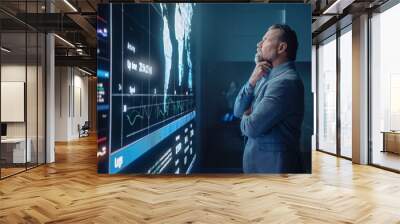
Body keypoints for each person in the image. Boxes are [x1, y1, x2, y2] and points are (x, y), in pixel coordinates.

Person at [233, 24, 304, 173]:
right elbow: (238, 110)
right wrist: (252, 80)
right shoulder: (264, 76)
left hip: (274, 176)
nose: (259, 44)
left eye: (265, 40)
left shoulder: (285, 82)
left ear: (281, 48)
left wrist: (247, 114)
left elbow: (251, 128)